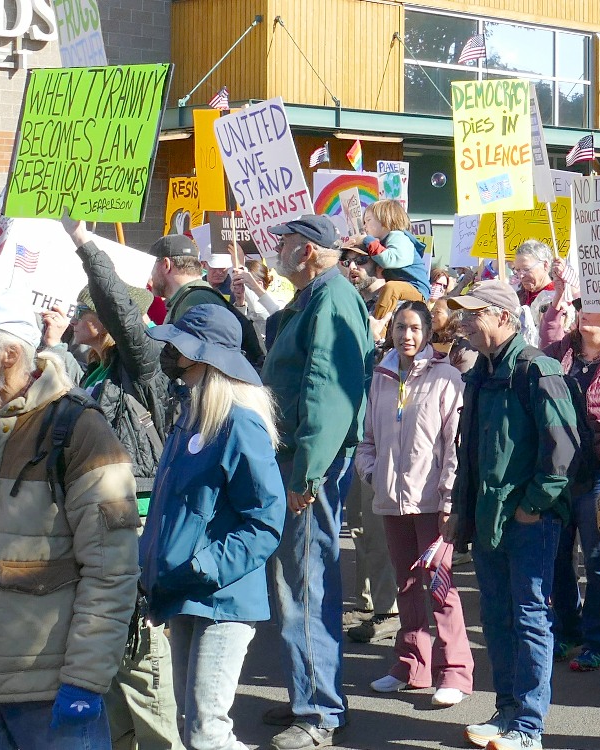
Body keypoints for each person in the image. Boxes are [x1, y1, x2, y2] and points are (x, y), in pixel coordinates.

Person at [45, 219, 183, 750]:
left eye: (82, 311)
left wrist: (83, 242)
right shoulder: (90, 373)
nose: (75, 318)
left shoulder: (142, 367)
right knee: (107, 652)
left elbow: (126, 313)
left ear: (101, 320)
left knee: (140, 650)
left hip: (137, 516)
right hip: (97, 516)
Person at [0, 293, 141, 749]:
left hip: (50, 693)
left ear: (9, 355)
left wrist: (85, 680)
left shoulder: (79, 428)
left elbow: (111, 569)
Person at [443, 280, 580, 750]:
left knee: (530, 621)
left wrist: (531, 507)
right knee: (498, 618)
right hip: (488, 520)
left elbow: (562, 452)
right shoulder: (479, 374)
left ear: (503, 317)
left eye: (472, 314)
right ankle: (506, 712)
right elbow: (472, 456)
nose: (462, 324)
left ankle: (528, 727)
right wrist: (460, 513)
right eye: (461, 314)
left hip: (528, 523)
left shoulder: (536, 371)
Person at [142, 304, 287, 750]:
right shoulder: (188, 415)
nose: (169, 352)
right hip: (185, 592)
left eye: (179, 346)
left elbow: (265, 521)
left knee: (207, 733)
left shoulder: (239, 423)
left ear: (204, 357)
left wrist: (203, 566)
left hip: (221, 599)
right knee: (193, 726)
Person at [260, 214, 374, 750]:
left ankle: (318, 713)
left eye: (284, 242)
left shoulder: (330, 299)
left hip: (308, 465)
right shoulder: (316, 298)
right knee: (299, 583)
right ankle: (313, 692)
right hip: (302, 459)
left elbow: (326, 392)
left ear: (306, 250)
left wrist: (306, 473)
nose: (276, 248)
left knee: (304, 585)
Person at [355, 302, 474, 707]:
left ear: (426, 332)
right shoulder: (381, 378)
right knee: (405, 585)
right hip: (391, 502)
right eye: (400, 328)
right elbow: (367, 439)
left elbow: (454, 447)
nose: (407, 335)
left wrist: (447, 499)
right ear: (391, 331)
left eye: (415, 328)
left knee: (440, 587)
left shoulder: (446, 378)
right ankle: (410, 665)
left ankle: (454, 671)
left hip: (432, 503)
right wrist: (372, 475)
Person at [543, 305, 600, 672]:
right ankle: (567, 630)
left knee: (598, 559)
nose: (584, 315)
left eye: (594, 311)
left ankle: (599, 641)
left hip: (599, 472)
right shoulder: (562, 353)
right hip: (561, 472)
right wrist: (558, 297)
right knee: (559, 557)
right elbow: (544, 340)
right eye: (582, 310)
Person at [334, 238, 402, 644]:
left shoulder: (394, 302)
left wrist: (377, 336)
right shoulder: (354, 303)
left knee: (377, 529)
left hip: (380, 439)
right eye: (348, 262)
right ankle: (369, 601)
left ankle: (387, 609)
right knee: (359, 526)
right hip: (358, 437)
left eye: (359, 263)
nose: (352, 268)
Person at [148, 234, 265, 367]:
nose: (150, 274)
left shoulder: (195, 302)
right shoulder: (193, 297)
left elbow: (202, 366)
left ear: (166, 265)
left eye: (152, 266)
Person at [359, 199, 430, 318]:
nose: (365, 226)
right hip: (403, 288)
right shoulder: (384, 241)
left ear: (385, 219)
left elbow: (389, 260)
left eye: (368, 220)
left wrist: (365, 240)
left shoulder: (398, 236)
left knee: (391, 287)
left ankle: (378, 327)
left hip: (416, 288)